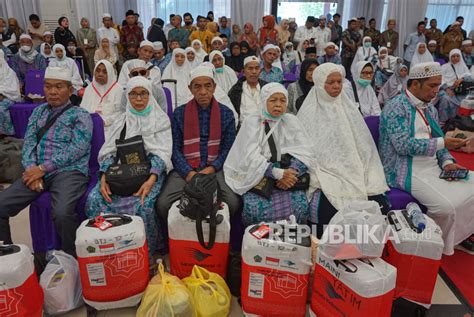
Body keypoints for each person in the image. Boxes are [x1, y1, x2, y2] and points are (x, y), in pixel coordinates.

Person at [379, 61, 474, 254]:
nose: (436, 91)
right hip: (405, 168)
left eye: (438, 85)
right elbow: (403, 145)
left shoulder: (429, 107)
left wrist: (447, 161)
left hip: (432, 165)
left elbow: (438, 137)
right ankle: (438, 245)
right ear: (415, 84)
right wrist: (443, 143)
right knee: (446, 207)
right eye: (432, 85)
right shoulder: (396, 107)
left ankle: (459, 236)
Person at [0, 66, 93, 257]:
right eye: (48, 86)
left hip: (70, 172)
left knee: (61, 213)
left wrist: (43, 168)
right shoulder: (38, 112)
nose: (52, 91)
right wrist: (32, 169)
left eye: (59, 86)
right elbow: (29, 144)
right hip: (37, 171)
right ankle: (8, 256)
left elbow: (78, 148)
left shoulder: (80, 115)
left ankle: (73, 258)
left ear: (70, 89)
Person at [298, 63, 389, 237]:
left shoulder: (348, 107)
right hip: (325, 169)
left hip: (355, 165)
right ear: (319, 83)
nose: (336, 86)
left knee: (376, 202)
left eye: (339, 82)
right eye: (330, 82)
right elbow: (305, 148)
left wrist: (359, 164)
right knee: (329, 206)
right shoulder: (309, 110)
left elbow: (363, 144)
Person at [86, 76, 171, 258]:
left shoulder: (160, 120)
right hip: (121, 172)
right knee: (95, 199)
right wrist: (104, 178)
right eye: (133, 94)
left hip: (150, 173)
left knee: (145, 204)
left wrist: (151, 180)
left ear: (150, 96)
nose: (138, 99)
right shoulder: (121, 121)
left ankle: (145, 254)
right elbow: (109, 153)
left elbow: (162, 155)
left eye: (143, 94)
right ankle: (108, 247)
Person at [155, 65, 240, 220]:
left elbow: (228, 149)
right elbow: (174, 149)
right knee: (163, 204)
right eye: (197, 86)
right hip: (185, 169)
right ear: (190, 89)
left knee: (233, 203)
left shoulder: (226, 114)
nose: (203, 92)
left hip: (216, 169)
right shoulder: (179, 113)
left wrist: (211, 169)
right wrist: (189, 173)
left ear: (214, 87)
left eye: (207, 86)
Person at [224, 83, 315, 226]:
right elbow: (249, 155)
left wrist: (291, 172)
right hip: (260, 174)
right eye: (273, 100)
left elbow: (305, 151)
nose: (278, 105)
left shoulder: (291, 121)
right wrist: (276, 172)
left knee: (300, 206)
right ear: (264, 101)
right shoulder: (253, 122)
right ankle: (258, 243)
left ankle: (291, 242)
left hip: (289, 174)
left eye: (283, 100)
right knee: (255, 210)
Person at [80, 60, 122, 127]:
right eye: (98, 71)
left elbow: (120, 113)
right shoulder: (89, 88)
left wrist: (106, 122)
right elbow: (82, 109)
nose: (100, 74)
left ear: (110, 74)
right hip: (89, 125)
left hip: (111, 126)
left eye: (105, 72)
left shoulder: (118, 89)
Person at [228, 56, 267, 124]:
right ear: (244, 71)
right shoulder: (236, 90)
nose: (254, 72)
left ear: (260, 71)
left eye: (257, 68)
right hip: (243, 129)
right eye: (250, 68)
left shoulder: (267, 88)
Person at [0, 50, 21, 136]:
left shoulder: (9, 72)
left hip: (8, 97)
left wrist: (2, 93)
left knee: (1, 108)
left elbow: (13, 89)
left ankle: (5, 132)